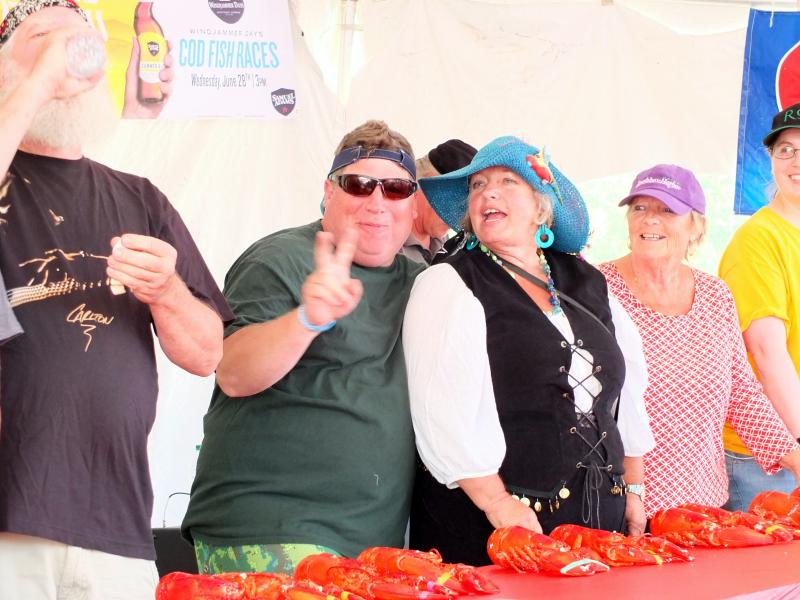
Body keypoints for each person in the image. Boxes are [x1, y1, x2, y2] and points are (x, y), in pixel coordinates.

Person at [0, 2, 232, 599]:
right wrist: (36, 84)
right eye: (40, 38)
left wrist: (166, 292)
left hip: (115, 520)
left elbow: (208, 354)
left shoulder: (139, 198)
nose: (65, 52)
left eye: (76, 41)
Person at [182, 120, 425, 575]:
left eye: (395, 188)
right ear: (329, 193)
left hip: (374, 549)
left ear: (413, 205)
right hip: (272, 532)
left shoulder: (424, 284)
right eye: (359, 184)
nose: (377, 201)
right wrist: (309, 318)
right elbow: (232, 371)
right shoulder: (282, 258)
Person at [403, 136, 654, 566]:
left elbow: (626, 395)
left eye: (507, 181)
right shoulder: (449, 283)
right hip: (496, 531)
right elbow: (440, 413)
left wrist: (633, 487)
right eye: (478, 185)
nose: (489, 193)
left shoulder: (585, 281)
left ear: (541, 208)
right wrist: (499, 505)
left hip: (600, 520)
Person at [598, 164, 800, 520]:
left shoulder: (715, 294)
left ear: (697, 226)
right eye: (639, 208)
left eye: (667, 210)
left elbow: (742, 393)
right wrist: (632, 492)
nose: (650, 220)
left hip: (703, 508)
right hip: (620, 505)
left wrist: (794, 458)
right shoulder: (596, 288)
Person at [719, 103, 800, 511]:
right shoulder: (758, 240)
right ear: (771, 160)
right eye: (786, 149)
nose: (796, 161)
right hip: (772, 455)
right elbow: (767, 353)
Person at [401, 139, 477, 264]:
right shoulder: (389, 242)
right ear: (427, 182)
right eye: (454, 202)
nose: (459, 217)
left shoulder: (447, 244)